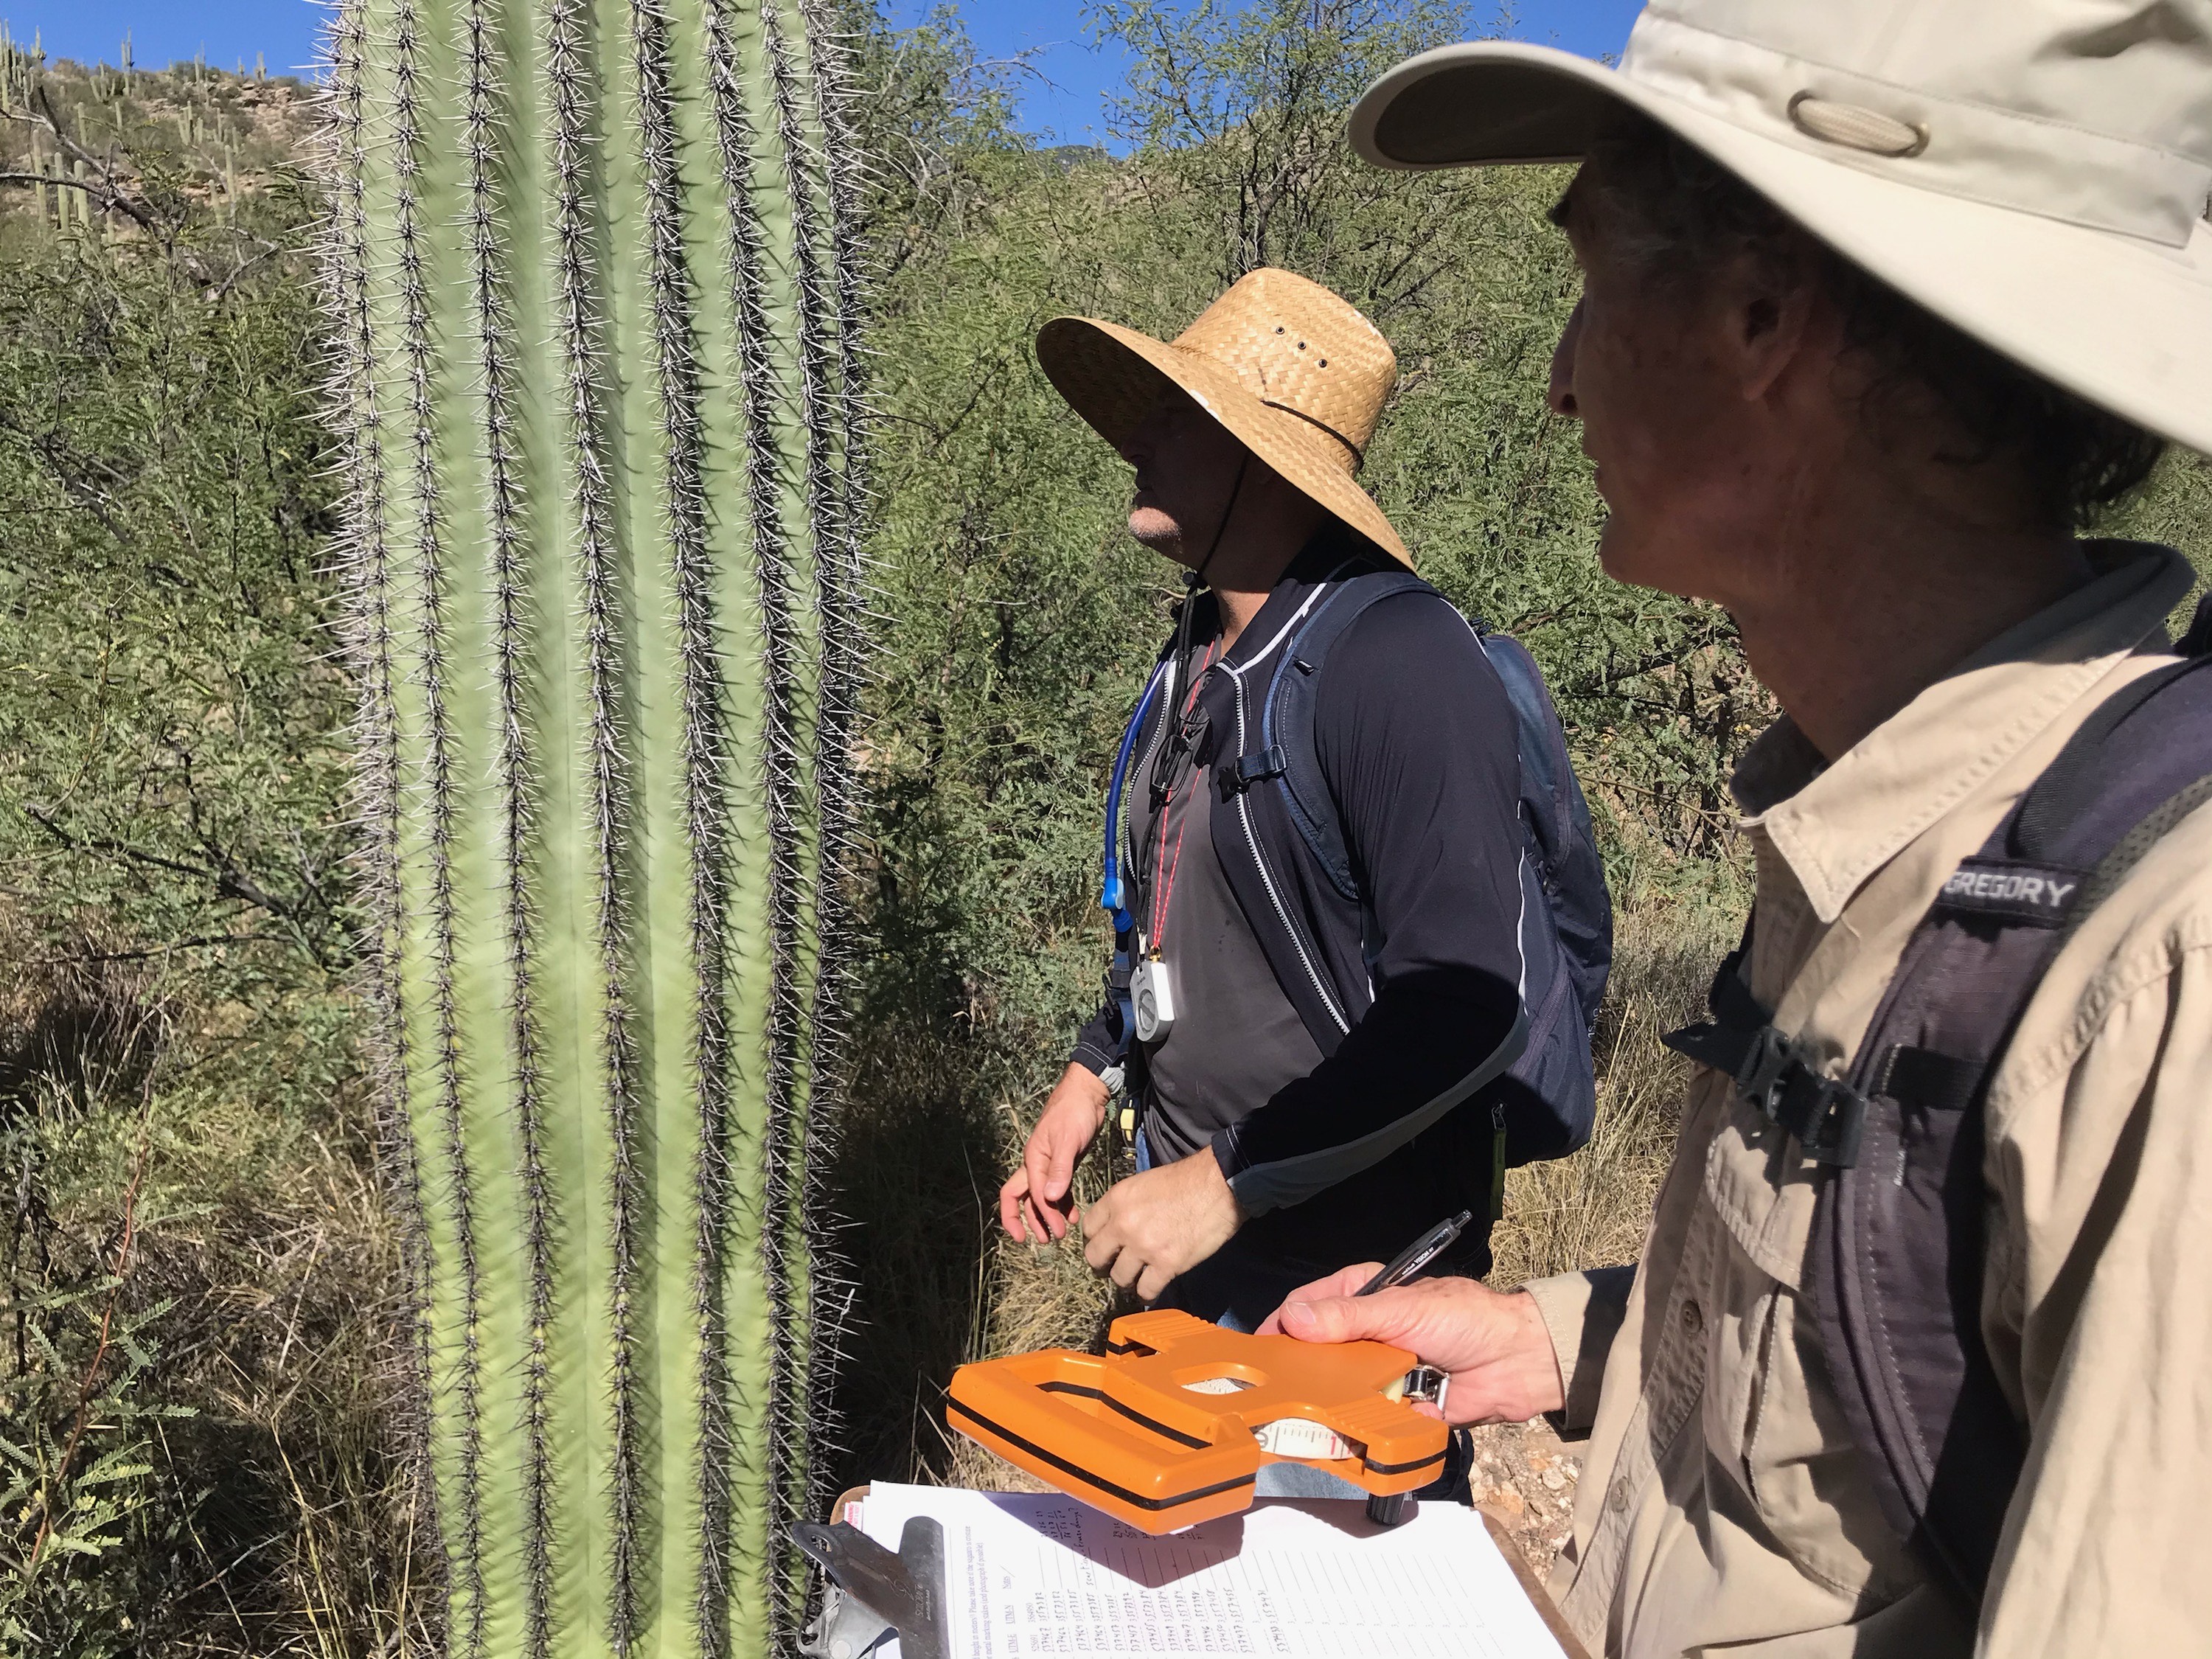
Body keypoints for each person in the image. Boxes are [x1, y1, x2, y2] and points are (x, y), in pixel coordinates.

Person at [1267, 3, 2212, 1655]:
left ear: (1767, 316)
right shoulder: (1896, 827)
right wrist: (1562, 1333)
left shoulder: (2156, 970)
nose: (1559, 381)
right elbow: (1917, 1348)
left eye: (1593, 278)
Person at [996, 268, 1607, 1334]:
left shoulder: (1398, 659)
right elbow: (1167, 913)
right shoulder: (1196, 653)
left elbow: (1467, 1005)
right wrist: (1093, 1071)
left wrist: (1226, 1181)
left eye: (1175, 413)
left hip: (1345, 1293)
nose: (1136, 434)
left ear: (1259, 456)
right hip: (1190, 1257)